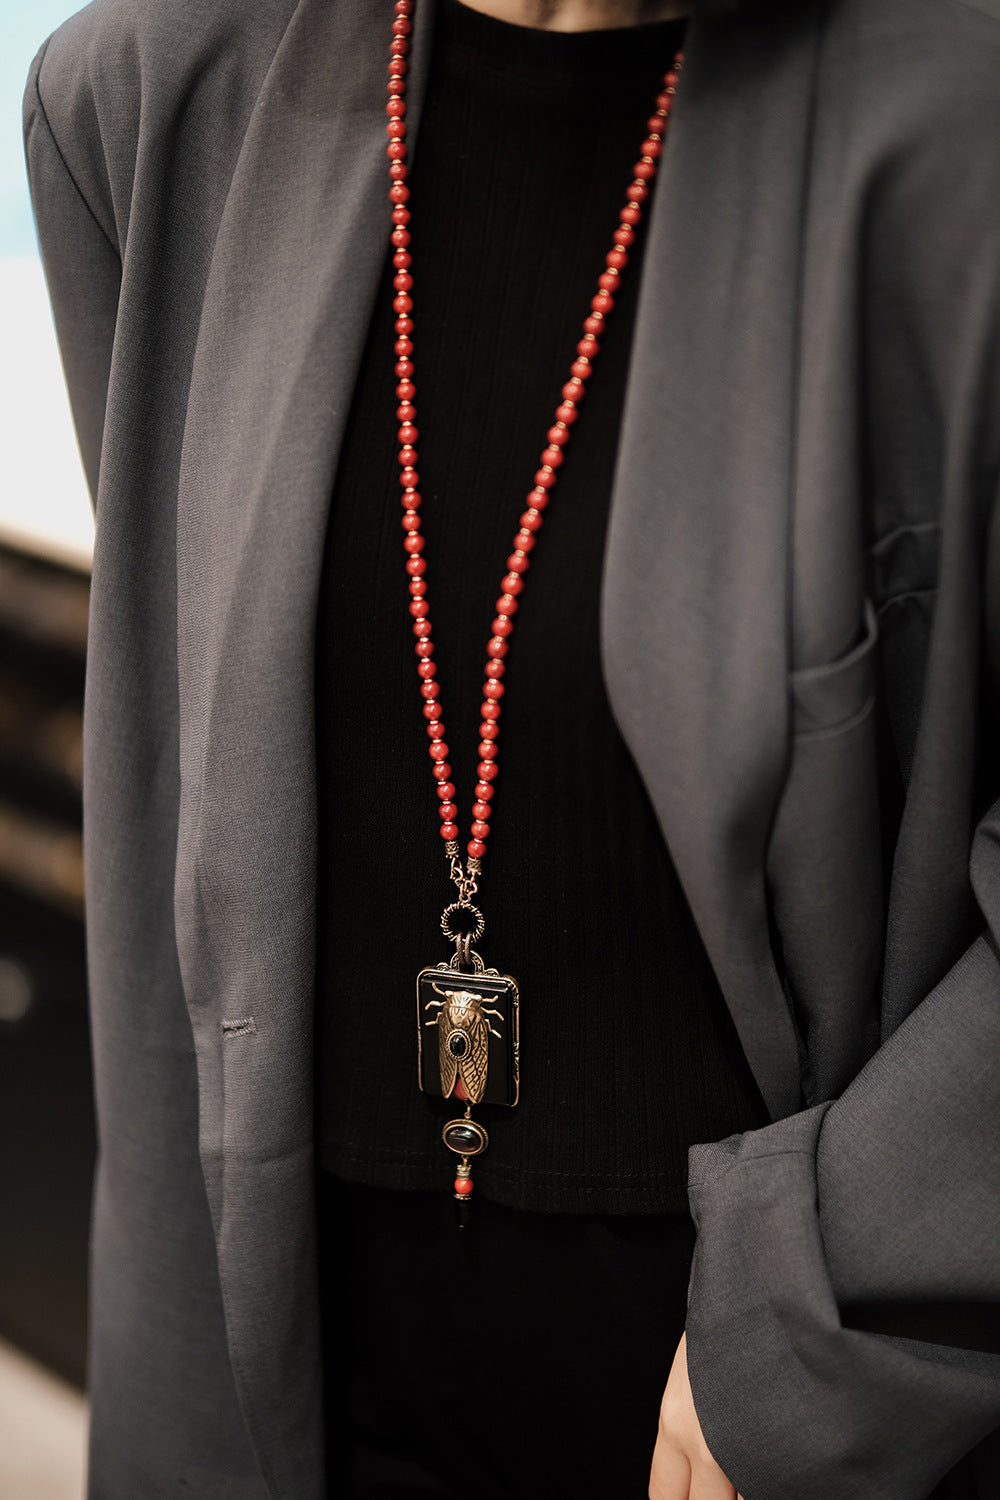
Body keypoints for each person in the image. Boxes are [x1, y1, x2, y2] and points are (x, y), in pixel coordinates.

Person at [22, 0, 1000, 1494]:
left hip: (760, 1393)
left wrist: (834, 1316)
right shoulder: (147, 100)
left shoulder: (963, 121)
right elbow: (193, 776)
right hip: (305, 1344)